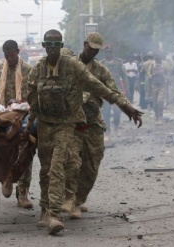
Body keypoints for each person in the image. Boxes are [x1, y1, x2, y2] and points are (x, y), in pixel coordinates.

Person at [25, 29, 143, 234]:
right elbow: (33, 99)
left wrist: (126, 107)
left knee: (59, 165)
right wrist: (28, 127)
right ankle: (45, 208)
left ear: (61, 47)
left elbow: (101, 88)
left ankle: (56, 213)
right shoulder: (37, 69)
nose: (53, 49)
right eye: (49, 45)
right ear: (44, 46)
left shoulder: (73, 66)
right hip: (45, 124)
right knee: (46, 169)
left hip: (68, 123)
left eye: (56, 45)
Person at [61, 32, 128, 218]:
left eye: (96, 50)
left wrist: (127, 106)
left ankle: (79, 199)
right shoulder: (70, 65)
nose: (93, 53)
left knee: (92, 164)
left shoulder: (101, 70)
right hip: (72, 122)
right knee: (71, 161)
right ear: (84, 45)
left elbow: (114, 91)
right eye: (91, 48)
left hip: (92, 122)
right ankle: (70, 198)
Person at [0, 40, 34, 208]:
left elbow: (34, 93)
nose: (9, 58)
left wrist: (21, 101)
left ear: (18, 51)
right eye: (6, 55)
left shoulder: (28, 71)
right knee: (5, 151)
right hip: (4, 117)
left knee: (25, 153)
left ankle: (23, 193)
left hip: (23, 118)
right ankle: (6, 178)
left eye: (12, 54)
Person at [101, 45, 128, 137]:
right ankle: (107, 131)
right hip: (105, 90)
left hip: (117, 90)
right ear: (104, 53)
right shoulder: (101, 64)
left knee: (117, 111)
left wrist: (127, 90)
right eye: (106, 52)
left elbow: (124, 77)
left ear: (112, 52)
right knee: (106, 111)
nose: (108, 53)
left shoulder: (119, 63)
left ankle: (116, 126)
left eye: (110, 52)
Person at [147, 54, 167, 124]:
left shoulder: (164, 64)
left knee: (160, 101)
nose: (158, 61)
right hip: (154, 84)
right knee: (155, 102)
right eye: (157, 60)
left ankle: (160, 117)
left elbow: (169, 72)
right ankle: (157, 117)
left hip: (162, 84)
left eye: (159, 60)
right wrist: (153, 75)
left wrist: (164, 76)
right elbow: (148, 74)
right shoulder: (152, 64)